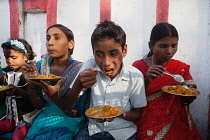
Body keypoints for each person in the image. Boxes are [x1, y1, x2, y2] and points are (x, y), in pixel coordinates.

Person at [60, 20, 147, 140]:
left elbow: (137, 114)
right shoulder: (90, 67)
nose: (106, 62)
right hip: (93, 130)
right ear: (93, 53)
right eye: (99, 55)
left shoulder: (134, 76)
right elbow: (68, 105)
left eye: (113, 54)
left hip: (123, 132)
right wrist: (78, 85)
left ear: (124, 51)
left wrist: (118, 114)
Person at [132, 22, 202, 140]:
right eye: (163, 46)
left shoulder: (180, 68)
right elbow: (132, 100)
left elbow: (188, 95)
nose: (169, 51)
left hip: (174, 116)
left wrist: (188, 96)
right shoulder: (138, 66)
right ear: (151, 46)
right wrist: (147, 80)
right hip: (146, 117)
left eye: (174, 45)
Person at [23, 24, 86, 140]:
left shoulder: (80, 70)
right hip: (44, 117)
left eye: (57, 38)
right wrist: (31, 84)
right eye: (48, 38)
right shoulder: (40, 67)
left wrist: (54, 96)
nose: (50, 43)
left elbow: (76, 112)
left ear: (70, 44)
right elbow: (39, 105)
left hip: (69, 118)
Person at [0, 39, 38, 140]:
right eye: (6, 57)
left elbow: (34, 98)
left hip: (26, 118)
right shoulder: (6, 72)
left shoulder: (31, 73)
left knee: (17, 137)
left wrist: (17, 91)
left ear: (26, 56)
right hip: (9, 118)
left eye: (13, 57)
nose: (9, 61)